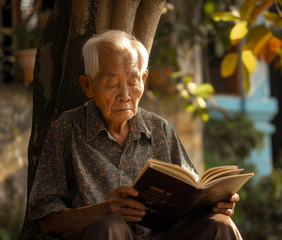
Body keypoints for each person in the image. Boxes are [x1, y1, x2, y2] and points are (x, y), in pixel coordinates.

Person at [28, 30, 242, 240]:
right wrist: (104, 211)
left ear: (144, 79)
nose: (124, 95)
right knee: (110, 226)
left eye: (133, 82)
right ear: (88, 85)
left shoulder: (160, 130)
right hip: (106, 234)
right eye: (111, 83)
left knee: (220, 225)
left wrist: (214, 203)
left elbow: (191, 195)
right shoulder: (68, 130)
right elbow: (47, 219)